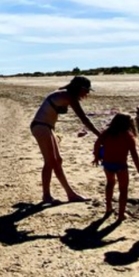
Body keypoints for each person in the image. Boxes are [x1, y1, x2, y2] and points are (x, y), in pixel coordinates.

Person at [30, 76, 101, 204]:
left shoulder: (64, 94)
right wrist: (100, 135)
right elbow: (84, 118)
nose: (87, 93)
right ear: (79, 88)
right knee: (50, 162)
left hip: (46, 127)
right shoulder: (69, 96)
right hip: (41, 127)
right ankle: (50, 196)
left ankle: (69, 194)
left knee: (57, 161)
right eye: (86, 90)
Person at [93, 113, 139, 222]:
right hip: (121, 165)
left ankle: (108, 208)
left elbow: (97, 144)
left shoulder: (106, 133)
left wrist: (96, 157)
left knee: (110, 184)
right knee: (123, 190)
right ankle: (121, 214)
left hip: (107, 164)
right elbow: (134, 154)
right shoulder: (127, 135)